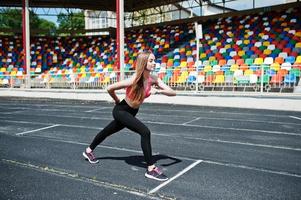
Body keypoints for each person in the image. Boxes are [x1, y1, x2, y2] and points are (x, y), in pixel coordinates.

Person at [83, 51, 176, 181]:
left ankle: (88, 150)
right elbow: (110, 88)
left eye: (154, 60)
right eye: (151, 61)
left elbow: (173, 92)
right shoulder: (133, 79)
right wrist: (116, 100)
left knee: (107, 131)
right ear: (143, 63)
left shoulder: (153, 79)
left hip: (132, 112)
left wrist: (158, 91)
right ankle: (150, 168)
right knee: (145, 132)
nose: (154, 63)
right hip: (121, 110)